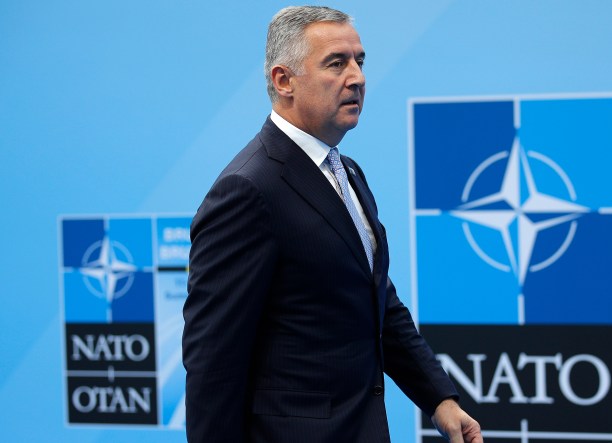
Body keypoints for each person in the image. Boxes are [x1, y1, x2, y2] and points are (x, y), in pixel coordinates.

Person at [182, 6, 483, 443]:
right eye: (336, 63)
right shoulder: (247, 190)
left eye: (360, 61)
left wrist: (439, 400)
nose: (357, 77)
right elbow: (213, 362)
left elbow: (375, 300)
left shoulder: (348, 172)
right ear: (283, 81)